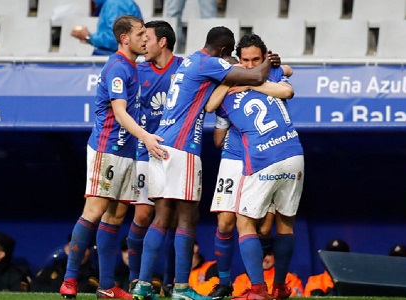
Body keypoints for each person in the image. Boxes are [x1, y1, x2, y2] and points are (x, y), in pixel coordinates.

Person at [131, 26, 275, 300]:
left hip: (160, 143)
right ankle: (182, 290)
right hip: (182, 148)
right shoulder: (210, 64)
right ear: (222, 50)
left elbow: (228, 69)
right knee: (187, 219)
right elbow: (257, 74)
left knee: (160, 218)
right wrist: (270, 60)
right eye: (230, 52)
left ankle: (142, 285)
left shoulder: (191, 60)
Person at [60, 15, 166, 300]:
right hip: (107, 149)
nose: (146, 38)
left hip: (127, 151)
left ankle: (106, 286)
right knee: (94, 211)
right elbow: (120, 112)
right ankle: (69, 279)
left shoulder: (133, 66)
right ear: (125, 38)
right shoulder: (118, 68)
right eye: (141, 33)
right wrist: (146, 136)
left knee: (116, 214)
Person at [204, 36, 302, 300]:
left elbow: (287, 83)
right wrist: (230, 83)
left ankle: (263, 286)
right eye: (244, 61)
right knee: (226, 222)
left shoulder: (271, 73)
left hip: (262, 155)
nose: (249, 65)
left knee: (262, 228)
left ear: (265, 58)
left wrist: (253, 81)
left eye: (255, 60)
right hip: (236, 156)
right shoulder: (228, 83)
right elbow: (212, 114)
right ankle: (225, 282)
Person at [127, 20, 184, 297]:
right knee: (143, 213)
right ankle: (135, 278)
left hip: (175, 151)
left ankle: (170, 280)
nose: (143, 43)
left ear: (162, 42)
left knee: (171, 217)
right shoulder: (137, 71)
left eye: (147, 38)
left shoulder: (185, 68)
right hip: (143, 149)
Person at [71, 0, 143, 56]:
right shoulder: (115, 3)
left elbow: (115, 39)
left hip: (114, 60)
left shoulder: (115, 4)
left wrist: (88, 37)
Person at [31, 235, 98, 293]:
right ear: (66, 249)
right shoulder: (55, 268)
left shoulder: (94, 274)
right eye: (74, 247)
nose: (78, 252)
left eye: (84, 248)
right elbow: (35, 286)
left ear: (89, 251)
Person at [231, 250, 304, 298]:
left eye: (268, 254)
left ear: (276, 257)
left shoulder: (291, 279)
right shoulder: (242, 279)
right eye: (261, 254)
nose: (264, 258)